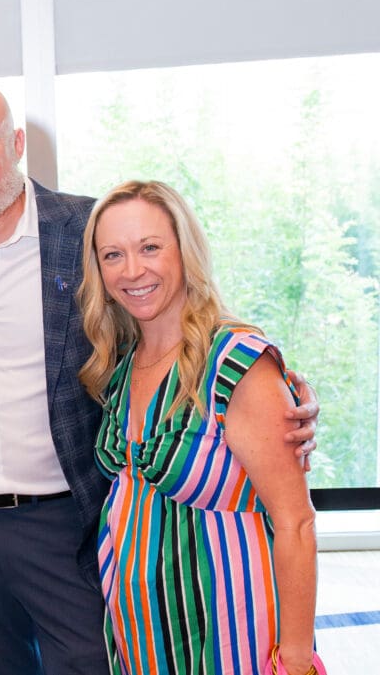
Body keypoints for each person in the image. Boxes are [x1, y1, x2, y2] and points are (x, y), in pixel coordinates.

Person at [0, 80, 319, 675]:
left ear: (16, 144)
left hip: (69, 522)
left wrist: (286, 390)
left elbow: (182, 312)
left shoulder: (86, 231)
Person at [78, 180, 324, 675]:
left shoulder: (236, 362)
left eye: (150, 248)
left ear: (184, 251)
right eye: (113, 255)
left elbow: (297, 522)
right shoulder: (123, 366)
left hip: (232, 645)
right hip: (145, 644)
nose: (133, 270)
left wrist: (295, 661)